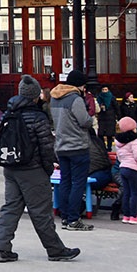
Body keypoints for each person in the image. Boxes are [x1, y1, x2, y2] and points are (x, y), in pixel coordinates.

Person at [0, 75, 81, 262]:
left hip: (10, 168)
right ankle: (55, 249)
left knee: (10, 208)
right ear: (35, 95)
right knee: (41, 211)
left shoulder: (8, 114)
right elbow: (46, 147)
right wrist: (48, 168)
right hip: (32, 170)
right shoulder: (37, 117)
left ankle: (2, 249)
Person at [50, 70, 96, 232]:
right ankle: (73, 219)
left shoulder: (54, 98)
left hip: (61, 146)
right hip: (77, 146)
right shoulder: (75, 99)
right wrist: (92, 119)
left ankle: (64, 217)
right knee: (78, 183)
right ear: (80, 85)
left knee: (65, 182)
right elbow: (84, 121)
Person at [114, 116, 137, 223]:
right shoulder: (134, 141)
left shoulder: (119, 141)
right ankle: (133, 215)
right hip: (133, 169)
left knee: (127, 192)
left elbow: (118, 156)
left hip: (123, 167)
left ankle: (126, 215)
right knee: (134, 193)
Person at [96, 84, 119, 151]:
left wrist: (118, 117)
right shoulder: (99, 98)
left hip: (110, 118)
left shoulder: (112, 98)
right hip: (102, 118)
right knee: (100, 134)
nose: (104, 91)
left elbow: (116, 107)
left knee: (110, 134)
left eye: (106, 90)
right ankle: (103, 147)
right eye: (103, 90)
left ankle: (109, 148)